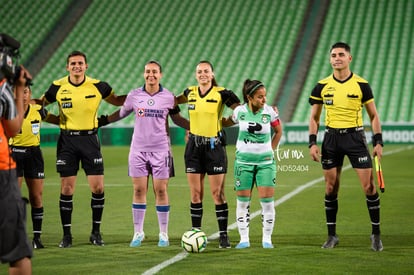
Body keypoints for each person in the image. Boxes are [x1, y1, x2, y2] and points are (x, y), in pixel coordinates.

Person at [39, 50, 126, 248]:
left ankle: (95, 233)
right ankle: (66, 236)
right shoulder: (57, 87)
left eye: (80, 63)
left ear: (86, 66)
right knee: (67, 189)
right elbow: (39, 107)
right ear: (67, 67)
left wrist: (141, 94)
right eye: (73, 63)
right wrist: (55, 119)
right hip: (67, 141)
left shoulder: (99, 86)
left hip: (90, 140)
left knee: (98, 188)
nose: (77, 66)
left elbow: (118, 101)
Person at [98, 60, 189, 247]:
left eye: (155, 72)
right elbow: (121, 113)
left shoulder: (169, 97)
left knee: (161, 190)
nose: (151, 75)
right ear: (144, 74)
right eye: (148, 72)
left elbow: (178, 119)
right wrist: (102, 121)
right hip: (138, 150)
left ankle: (163, 233)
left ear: (160, 75)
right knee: (139, 190)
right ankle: (138, 232)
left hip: (161, 150)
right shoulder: (134, 95)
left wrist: (197, 127)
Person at [308, 42, 384, 251]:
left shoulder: (361, 84)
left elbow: (374, 115)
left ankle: (376, 235)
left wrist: (378, 141)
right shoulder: (321, 85)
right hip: (331, 139)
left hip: (355, 138)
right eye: (333, 55)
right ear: (330, 59)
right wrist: (312, 143)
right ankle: (332, 236)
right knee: (330, 188)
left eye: (341, 54)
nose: (337, 58)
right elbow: (314, 117)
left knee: (369, 187)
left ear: (349, 58)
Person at [176, 60, 241, 248]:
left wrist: (227, 122)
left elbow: (239, 110)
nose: (203, 74)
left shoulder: (222, 93)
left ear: (212, 74)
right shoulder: (190, 92)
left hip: (214, 148)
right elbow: (172, 102)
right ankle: (196, 233)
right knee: (195, 194)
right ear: (196, 75)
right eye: (199, 71)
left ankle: (223, 235)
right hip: (194, 148)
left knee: (217, 193)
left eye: (206, 71)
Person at [223, 79, 282, 249]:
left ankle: (267, 239)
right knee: (242, 202)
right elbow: (227, 122)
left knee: (267, 202)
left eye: (265, 96)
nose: (264, 100)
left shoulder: (270, 112)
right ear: (249, 97)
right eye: (260, 97)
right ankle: (244, 239)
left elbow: (278, 131)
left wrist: (271, 149)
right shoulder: (240, 111)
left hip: (265, 164)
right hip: (243, 164)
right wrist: (214, 122)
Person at [9, 85, 59, 249]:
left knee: (36, 197)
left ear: (30, 94)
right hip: (13, 154)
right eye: (18, 91)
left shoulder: (38, 110)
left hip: (34, 155)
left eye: (26, 91)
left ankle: (37, 238)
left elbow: (59, 121)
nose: (22, 95)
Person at [0, 33, 32, 274]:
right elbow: (14, 129)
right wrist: (19, 90)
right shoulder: (3, 90)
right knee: (17, 254)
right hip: (1, 172)